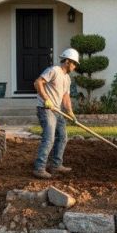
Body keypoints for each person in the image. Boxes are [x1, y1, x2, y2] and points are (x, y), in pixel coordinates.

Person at [32, 48, 80, 179]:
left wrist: (71, 113)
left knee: (63, 137)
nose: (75, 66)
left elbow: (65, 97)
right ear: (67, 61)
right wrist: (46, 99)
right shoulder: (54, 70)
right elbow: (38, 82)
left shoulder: (67, 78)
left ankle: (56, 165)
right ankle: (39, 168)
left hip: (57, 110)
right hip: (45, 109)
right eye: (74, 63)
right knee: (49, 138)